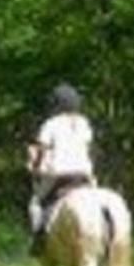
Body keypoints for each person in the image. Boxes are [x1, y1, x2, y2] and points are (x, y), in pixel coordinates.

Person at [27, 84, 95, 256]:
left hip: (60, 176)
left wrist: (34, 166)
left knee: (35, 204)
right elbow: (86, 146)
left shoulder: (51, 124)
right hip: (84, 175)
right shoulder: (83, 122)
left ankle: (39, 240)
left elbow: (41, 150)